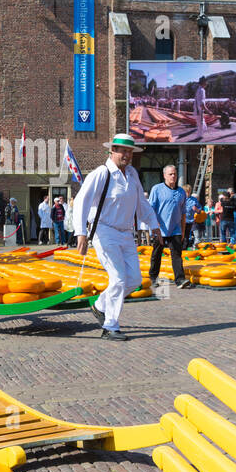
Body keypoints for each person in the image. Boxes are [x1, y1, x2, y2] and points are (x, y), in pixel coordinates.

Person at [72, 134, 161, 340]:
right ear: (112, 151)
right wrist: (81, 234)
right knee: (119, 278)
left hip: (126, 233)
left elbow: (142, 203)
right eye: (122, 150)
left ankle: (100, 305)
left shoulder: (132, 175)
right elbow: (81, 202)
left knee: (135, 279)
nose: (126, 155)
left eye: (129, 151)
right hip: (104, 231)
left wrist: (154, 226)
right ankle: (110, 326)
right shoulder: (101, 173)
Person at [148, 163, 192, 292]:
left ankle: (180, 279)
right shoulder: (157, 189)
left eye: (175, 174)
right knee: (157, 254)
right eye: (170, 174)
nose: (173, 176)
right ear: (164, 175)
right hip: (160, 229)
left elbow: (183, 213)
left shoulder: (181, 192)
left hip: (176, 228)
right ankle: (153, 278)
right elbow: (150, 209)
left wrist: (183, 231)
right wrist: (155, 225)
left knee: (177, 254)